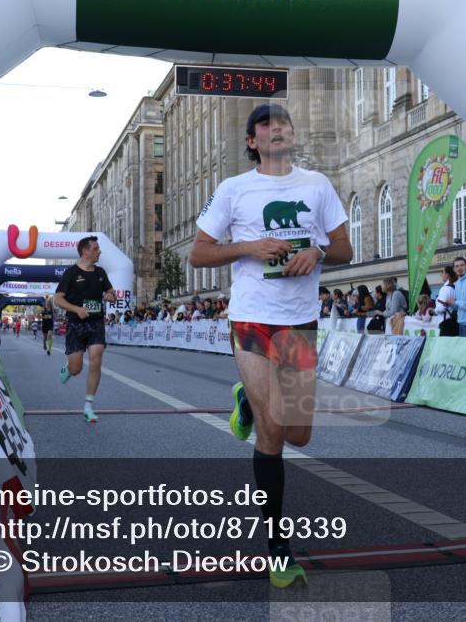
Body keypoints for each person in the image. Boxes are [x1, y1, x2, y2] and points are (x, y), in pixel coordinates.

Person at [189, 103, 352, 588]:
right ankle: (279, 546)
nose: (277, 128)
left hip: (299, 325)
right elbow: (199, 253)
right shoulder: (233, 190)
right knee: (274, 435)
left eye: (282, 123)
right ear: (253, 141)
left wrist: (317, 251)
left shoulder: (317, 185)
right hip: (253, 321)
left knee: (300, 435)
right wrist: (249, 247)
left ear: (292, 135)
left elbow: (345, 249)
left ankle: (246, 399)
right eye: (266, 125)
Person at [54, 235, 117, 423]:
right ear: (85, 251)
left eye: (98, 248)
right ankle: (69, 368)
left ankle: (88, 406)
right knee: (76, 369)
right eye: (96, 249)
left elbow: (111, 292)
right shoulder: (71, 273)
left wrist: (110, 296)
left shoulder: (100, 272)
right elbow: (58, 299)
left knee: (96, 360)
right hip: (75, 324)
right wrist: (76, 309)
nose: (99, 252)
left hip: (96, 323)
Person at [434, 265, 457, 336]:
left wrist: (435, 310)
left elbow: (441, 308)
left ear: (447, 275)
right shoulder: (455, 287)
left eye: (442, 272)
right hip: (454, 321)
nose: (441, 275)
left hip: (446, 322)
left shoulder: (445, 289)